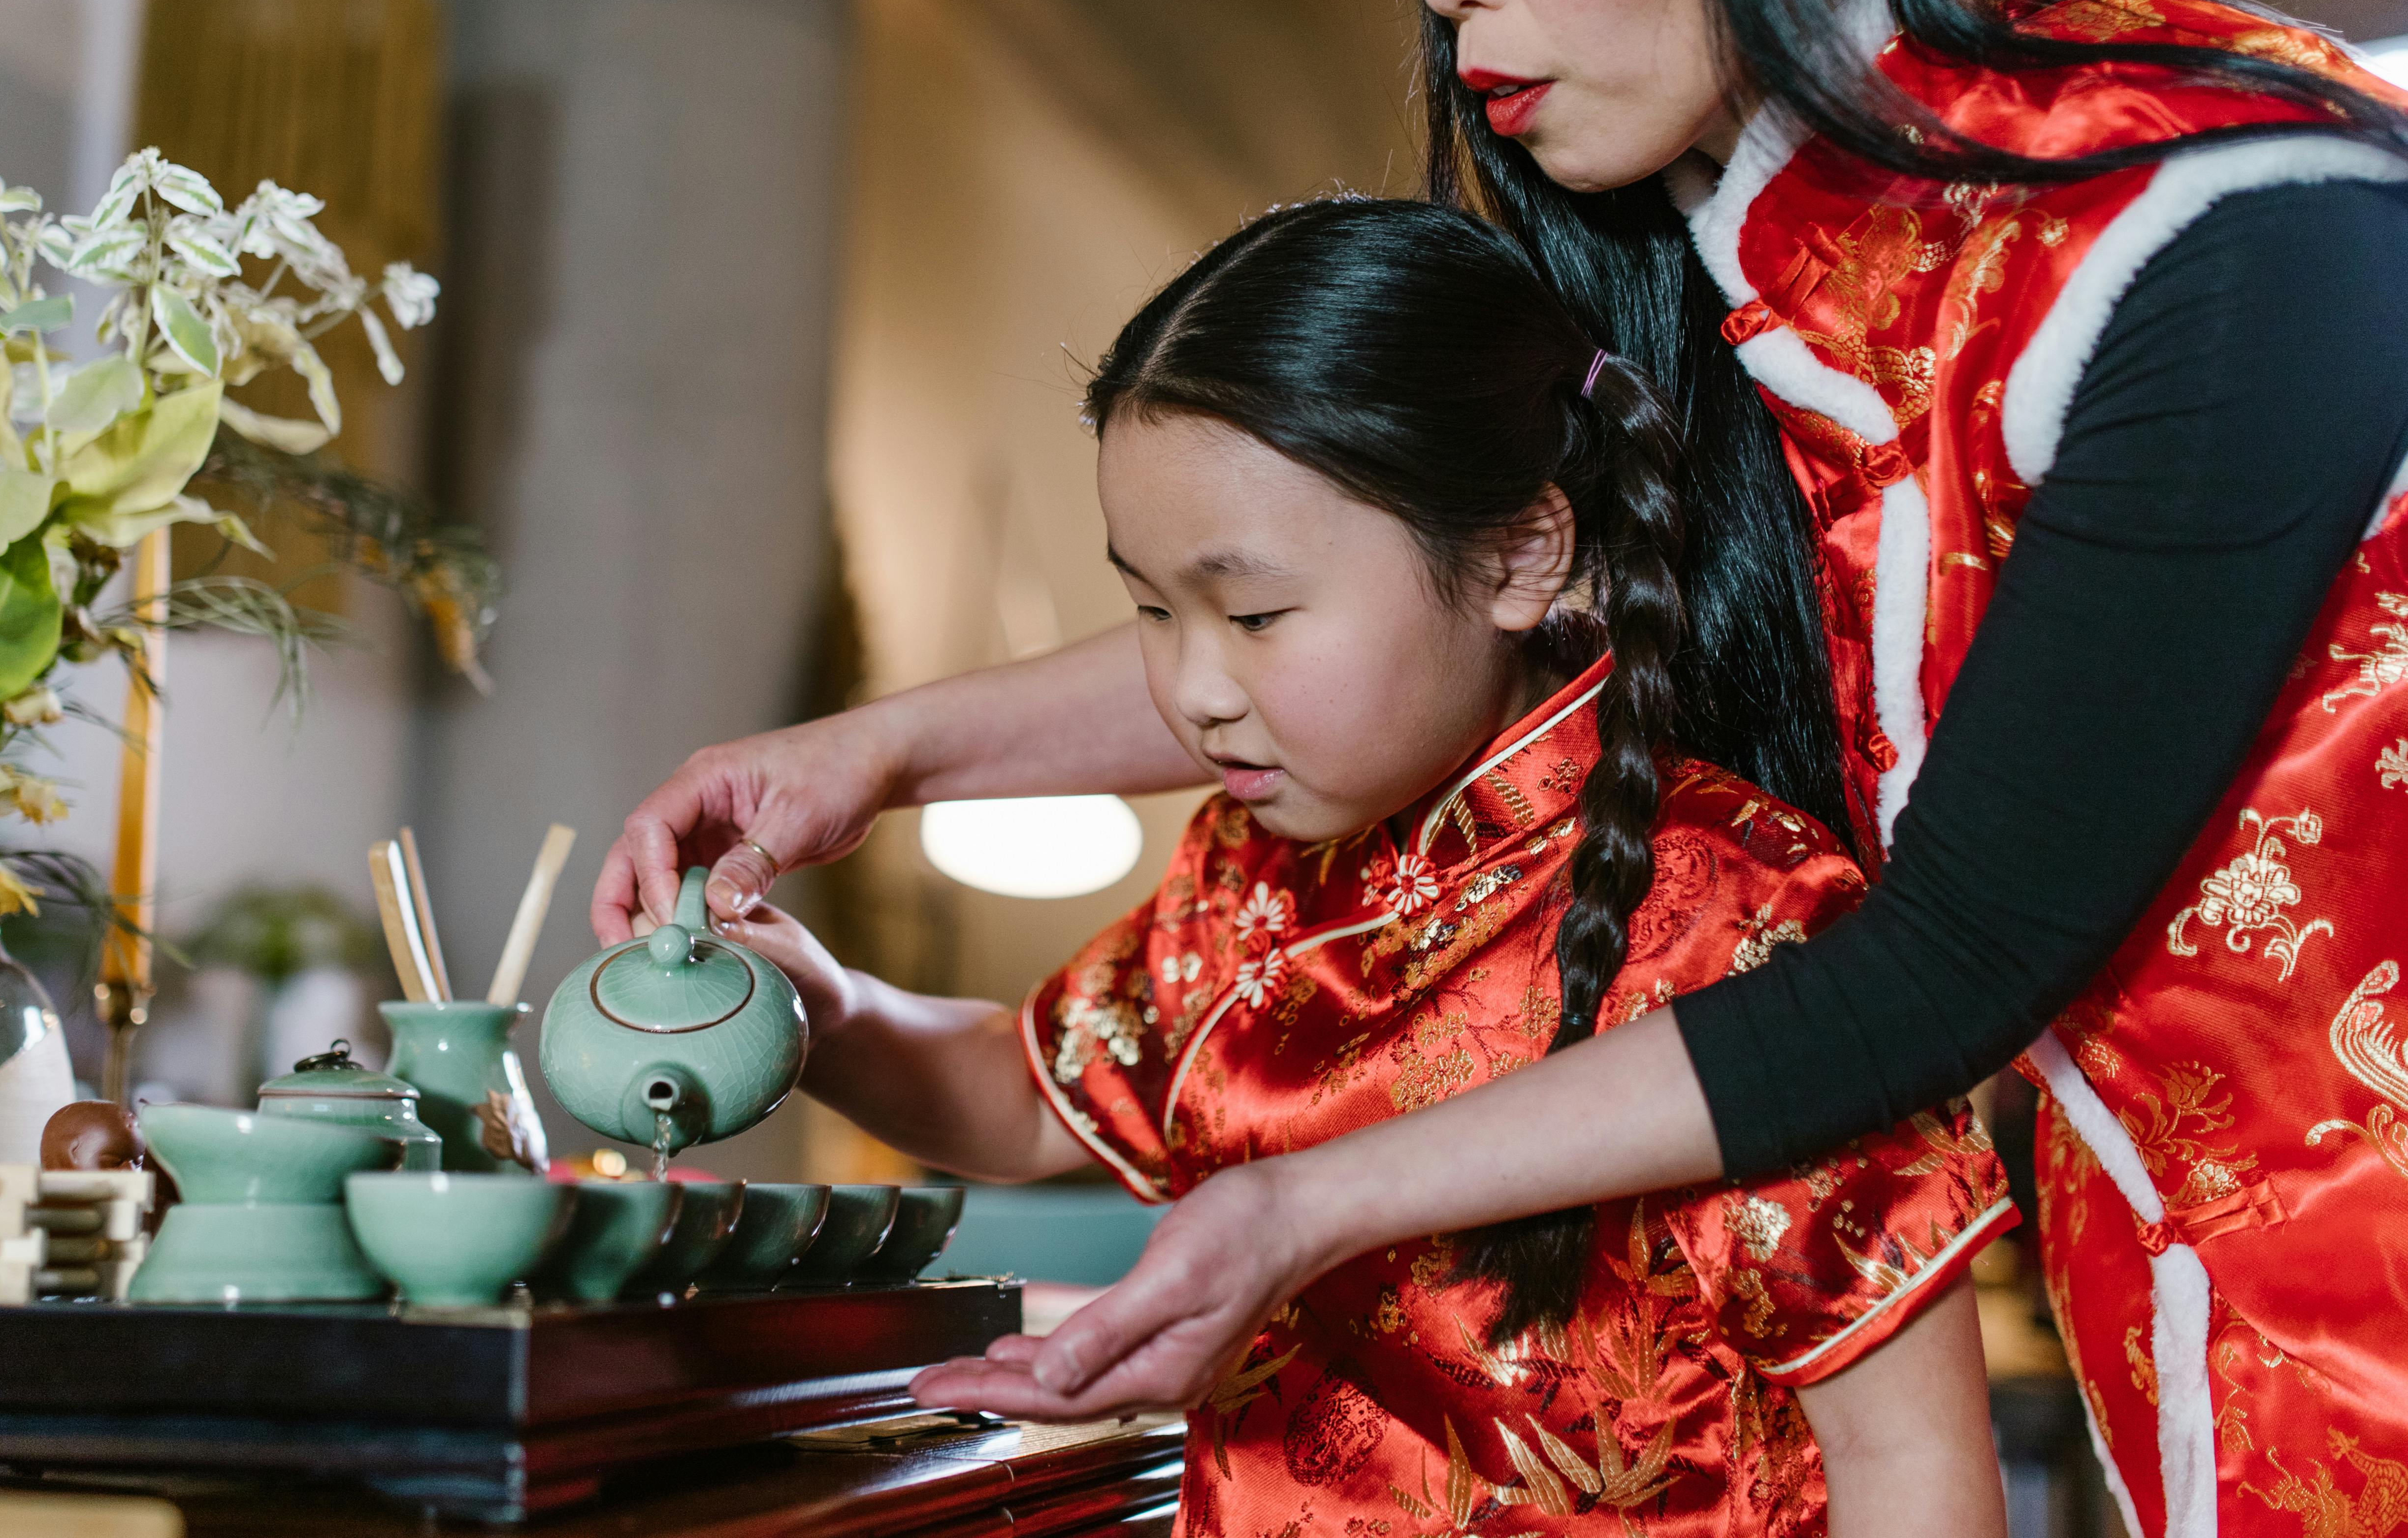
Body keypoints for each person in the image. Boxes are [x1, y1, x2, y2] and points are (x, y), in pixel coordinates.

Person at [595, 0, 2408, 1527]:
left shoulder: (2231, 243)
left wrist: (1294, 1211)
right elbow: (1327, 617)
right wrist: (865, 761)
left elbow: (1947, 965)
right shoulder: (1742, 280)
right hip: (2211, 1355)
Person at [718, 196, 2010, 1536]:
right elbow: (1018, 1104)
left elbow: (1911, 1471)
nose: (1193, 690)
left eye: (1256, 614)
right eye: (1152, 612)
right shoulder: (1251, 864)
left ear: (1519, 554)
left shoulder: (1741, 917)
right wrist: (819, 1012)